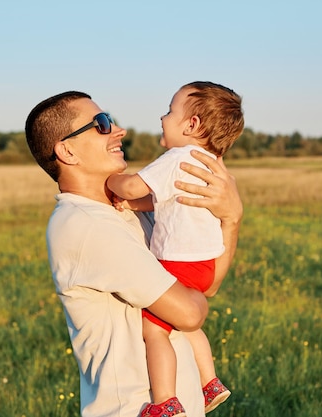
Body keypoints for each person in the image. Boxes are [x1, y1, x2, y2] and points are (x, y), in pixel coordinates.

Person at [24, 91, 243, 417]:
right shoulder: (85, 225)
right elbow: (190, 313)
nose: (118, 130)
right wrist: (194, 297)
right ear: (67, 150)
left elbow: (206, 283)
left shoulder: (125, 210)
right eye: (101, 124)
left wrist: (230, 219)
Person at [107, 81, 244, 415]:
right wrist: (136, 206)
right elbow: (165, 202)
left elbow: (135, 186)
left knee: (154, 332)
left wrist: (111, 182)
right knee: (188, 323)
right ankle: (209, 381)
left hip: (177, 262)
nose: (162, 116)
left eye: (170, 111)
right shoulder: (208, 162)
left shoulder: (175, 158)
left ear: (192, 125)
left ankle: (165, 401)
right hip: (206, 262)